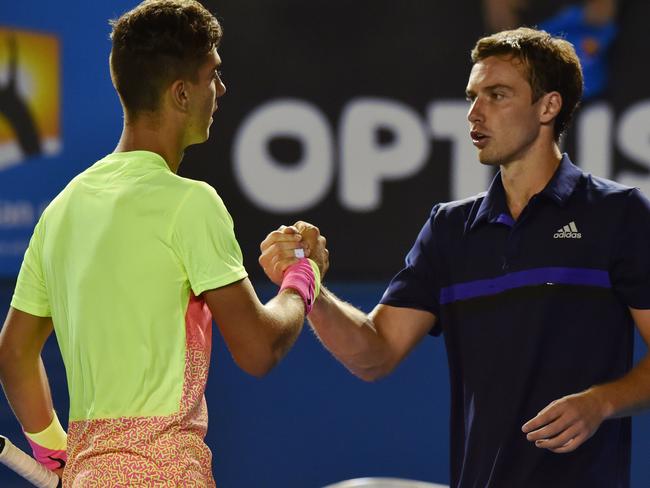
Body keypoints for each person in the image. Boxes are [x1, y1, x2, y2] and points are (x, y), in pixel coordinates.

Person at [260, 27, 650, 487]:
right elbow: (374, 355)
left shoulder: (617, 214)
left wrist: (600, 402)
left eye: (497, 95)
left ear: (549, 107)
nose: (473, 113)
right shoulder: (449, 230)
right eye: (472, 96)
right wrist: (311, 289)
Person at [0, 1, 327, 486]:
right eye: (212, 74)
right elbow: (258, 349)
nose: (221, 89)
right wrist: (303, 278)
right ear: (180, 93)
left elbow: (14, 354)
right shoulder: (190, 204)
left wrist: (54, 453)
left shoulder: (61, 211)